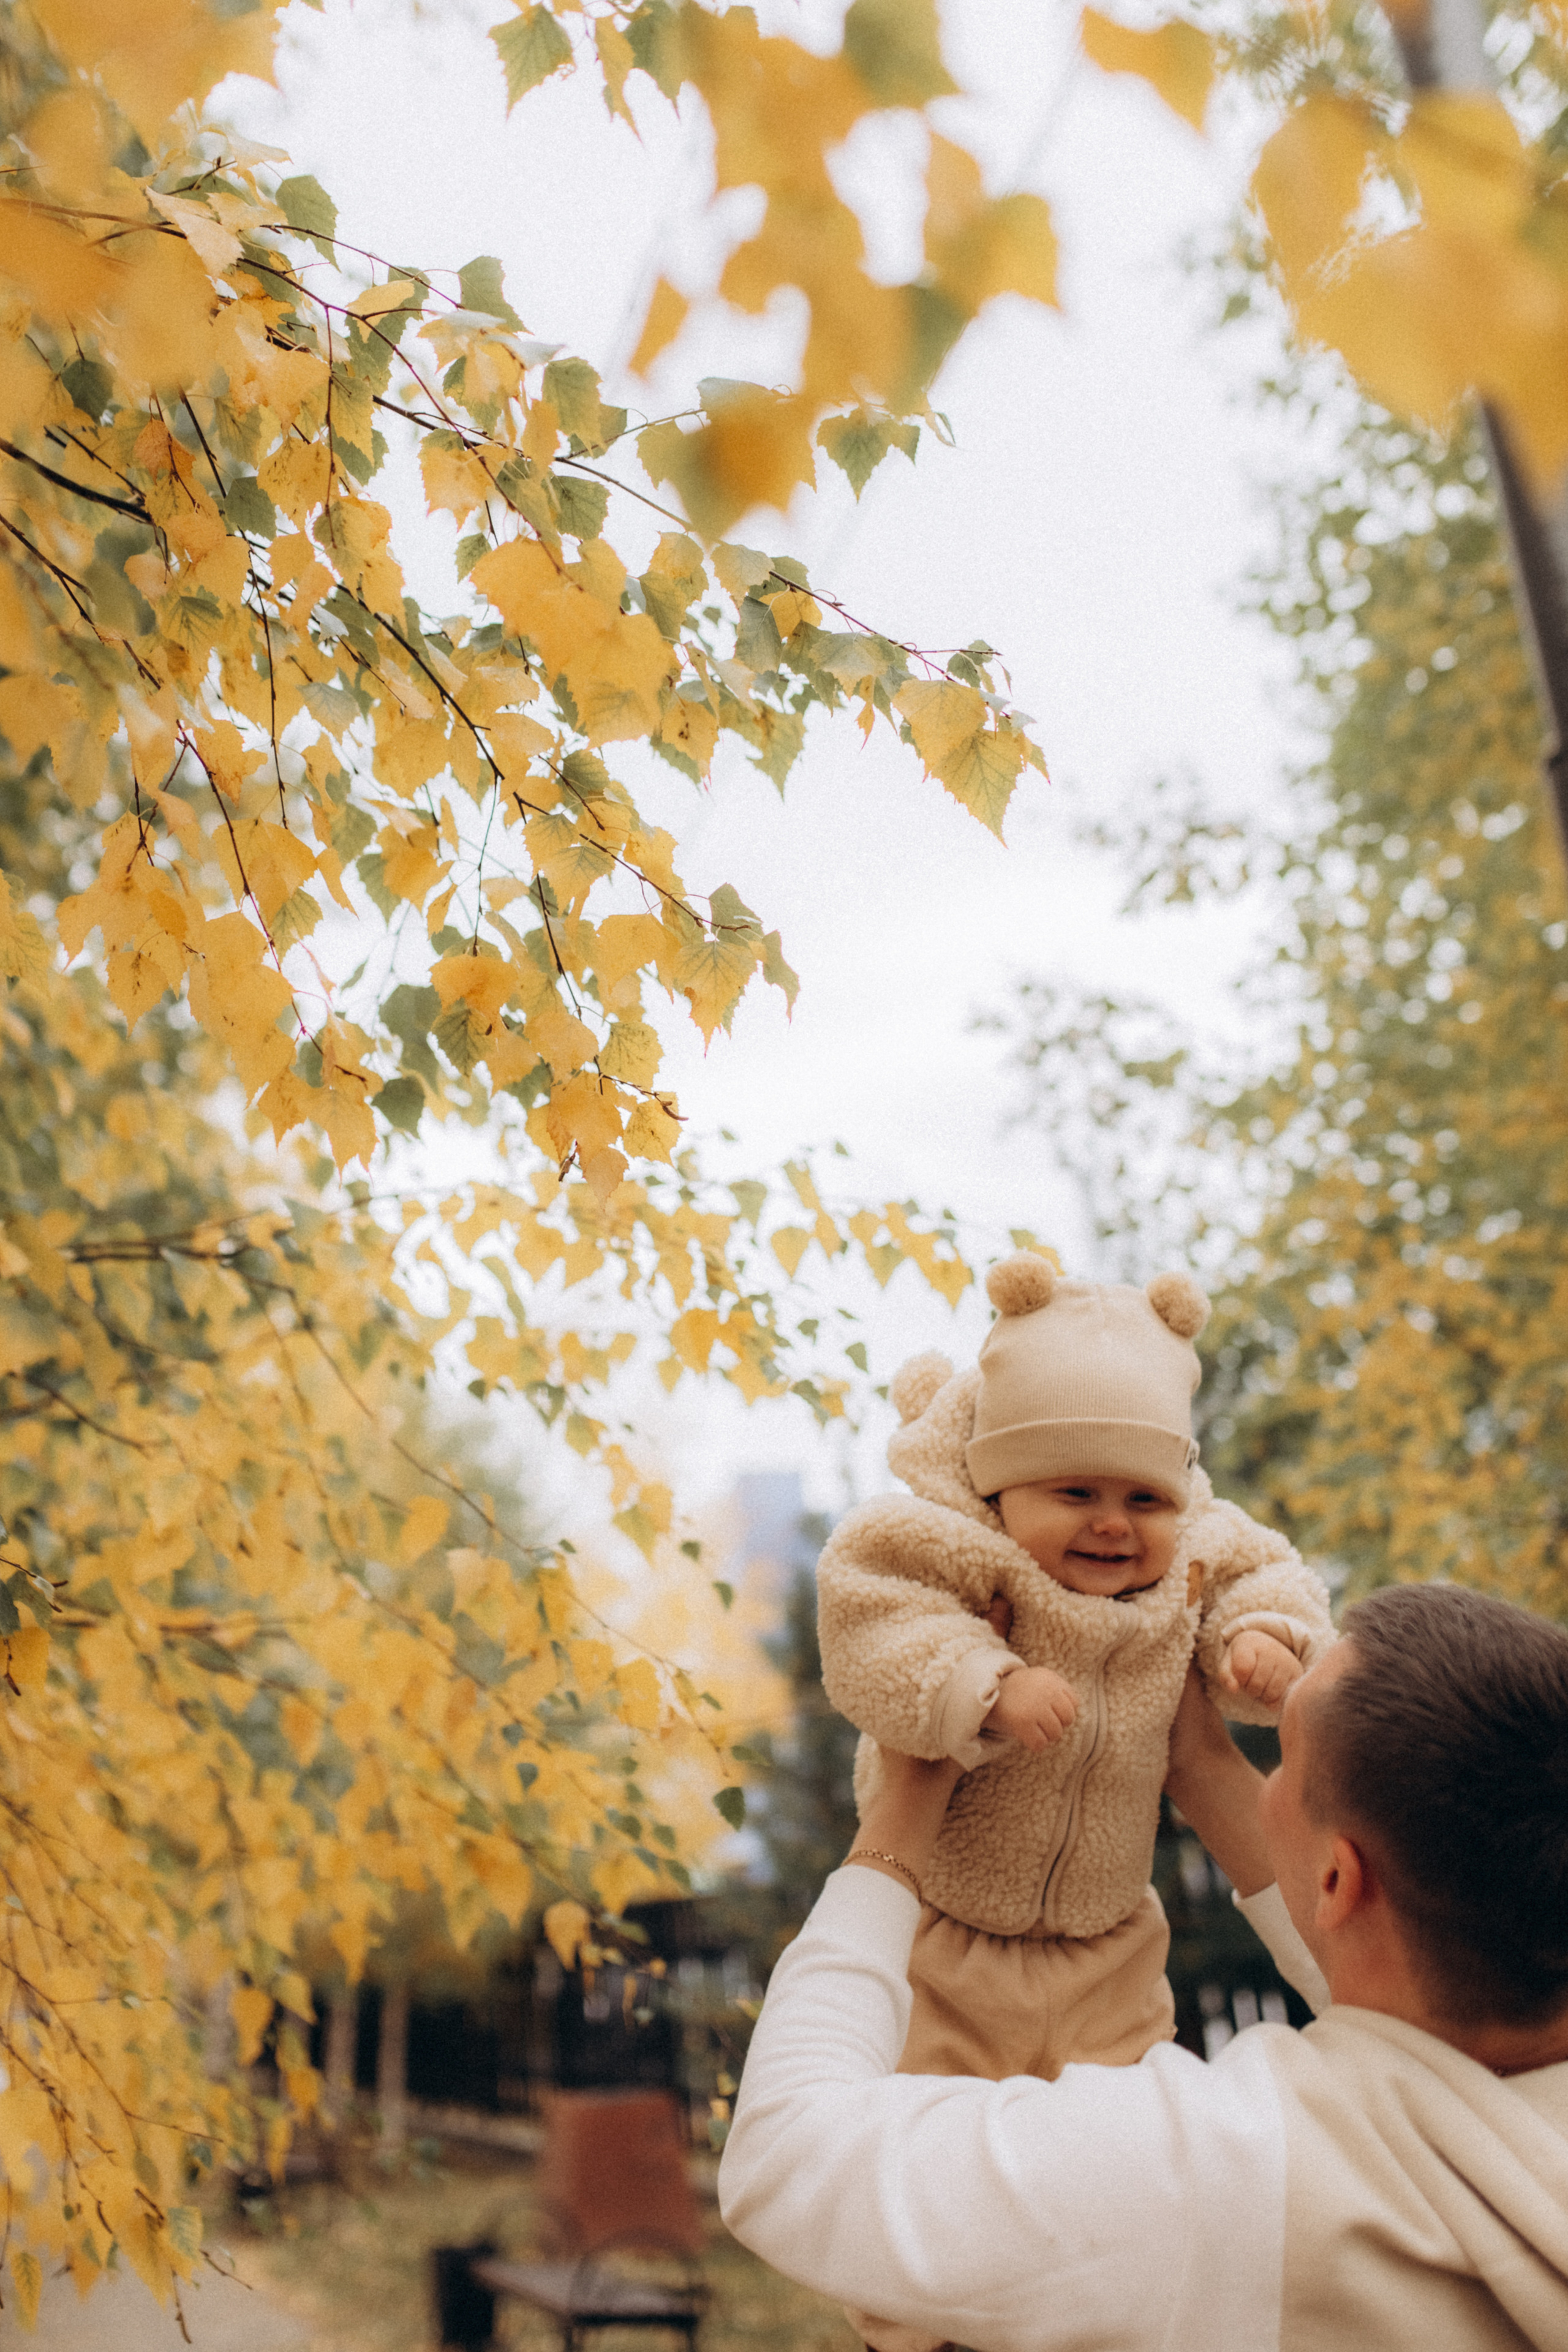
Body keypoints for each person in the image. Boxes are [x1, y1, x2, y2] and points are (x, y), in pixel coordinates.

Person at [720, 1583, 1568, 2351]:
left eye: (1281, 1761)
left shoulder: (1225, 2179)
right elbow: (1412, 2011)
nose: (1260, 1783)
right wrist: (1201, 1769)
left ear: (1340, 1880)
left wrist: (902, 1816)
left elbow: (787, 2154)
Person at [816, 1254, 1335, 2089]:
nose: (1112, 1526)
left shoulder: (1190, 1563)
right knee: (942, 2142)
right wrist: (983, 1684)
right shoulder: (958, 1550)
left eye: (1143, 1500)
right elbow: (872, 1620)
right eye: (1076, 1493)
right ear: (1002, 1487)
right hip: (944, 1941)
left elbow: (1264, 1569)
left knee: (1117, 2148)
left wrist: (1263, 1636)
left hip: (1111, 1947)